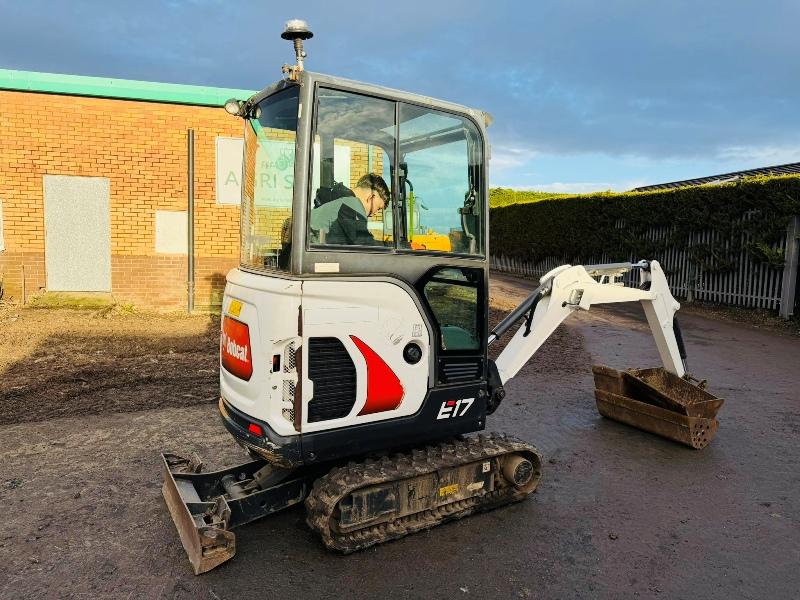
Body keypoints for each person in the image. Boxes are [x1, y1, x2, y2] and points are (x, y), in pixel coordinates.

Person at [309, 173, 390, 246]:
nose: (375, 213)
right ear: (371, 197)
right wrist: (390, 246)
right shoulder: (352, 205)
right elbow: (366, 245)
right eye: (378, 208)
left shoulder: (336, 200)